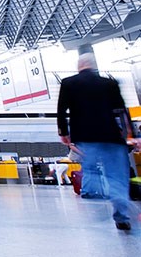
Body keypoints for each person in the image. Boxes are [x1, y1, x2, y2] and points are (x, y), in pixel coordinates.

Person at [57, 52, 134, 232]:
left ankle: (96, 196)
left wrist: (63, 132)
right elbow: (121, 110)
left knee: (90, 169)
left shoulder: (69, 83)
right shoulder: (110, 83)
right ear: (94, 66)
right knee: (117, 176)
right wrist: (131, 134)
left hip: (85, 136)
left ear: (79, 66)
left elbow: (62, 110)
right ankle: (121, 210)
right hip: (112, 136)